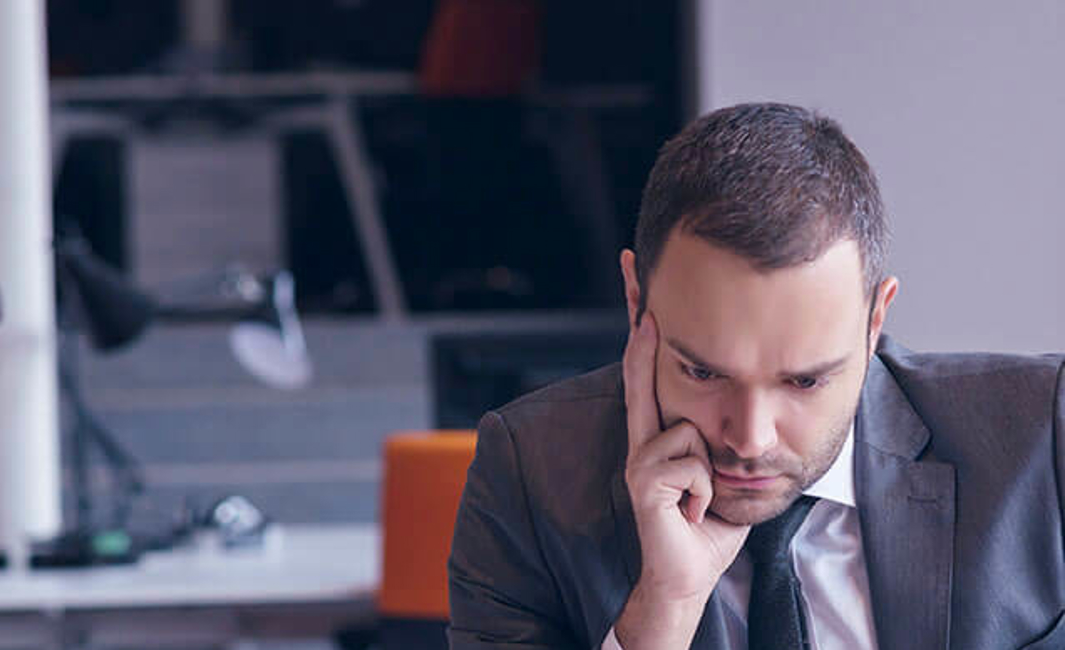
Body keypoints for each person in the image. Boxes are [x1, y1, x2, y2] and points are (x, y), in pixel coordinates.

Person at [446, 103, 1065, 650]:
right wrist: (665, 606)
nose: (750, 439)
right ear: (636, 297)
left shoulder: (1040, 441)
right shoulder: (531, 475)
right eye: (703, 371)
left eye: (804, 382)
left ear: (875, 318)